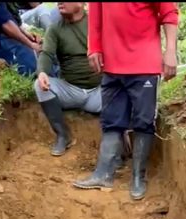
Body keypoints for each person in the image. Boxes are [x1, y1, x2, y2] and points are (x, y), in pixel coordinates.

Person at [73, 2, 179, 201]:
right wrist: (94, 47)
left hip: (145, 64)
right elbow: (95, 16)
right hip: (112, 64)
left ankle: (138, 177)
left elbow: (169, 13)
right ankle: (103, 173)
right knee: (111, 120)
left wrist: (170, 51)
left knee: (143, 121)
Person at [34, 2, 102, 156]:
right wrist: (42, 72)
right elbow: (46, 54)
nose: (59, 2)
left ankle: (118, 146)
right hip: (71, 90)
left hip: (100, 91)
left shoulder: (97, 23)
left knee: (125, 92)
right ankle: (62, 135)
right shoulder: (55, 28)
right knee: (39, 85)